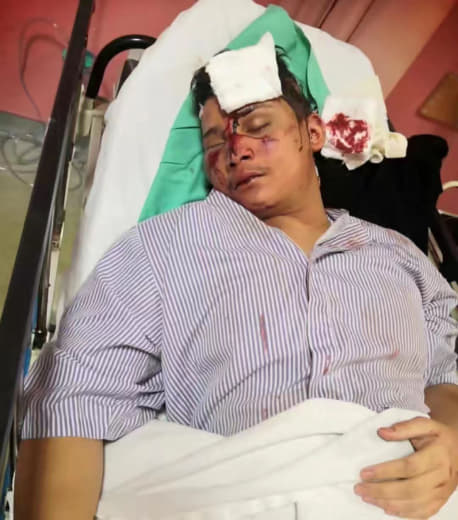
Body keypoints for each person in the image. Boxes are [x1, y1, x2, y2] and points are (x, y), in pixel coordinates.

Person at [15, 50, 458, 520]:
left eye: (259, 127)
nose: (237, 149)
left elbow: (443, 374)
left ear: (313, 133)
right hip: (243, 492)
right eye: (215, 141)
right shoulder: (164, 247)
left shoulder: (399, 256)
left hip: (408, 492)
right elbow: (74, 394)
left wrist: (450, 442)